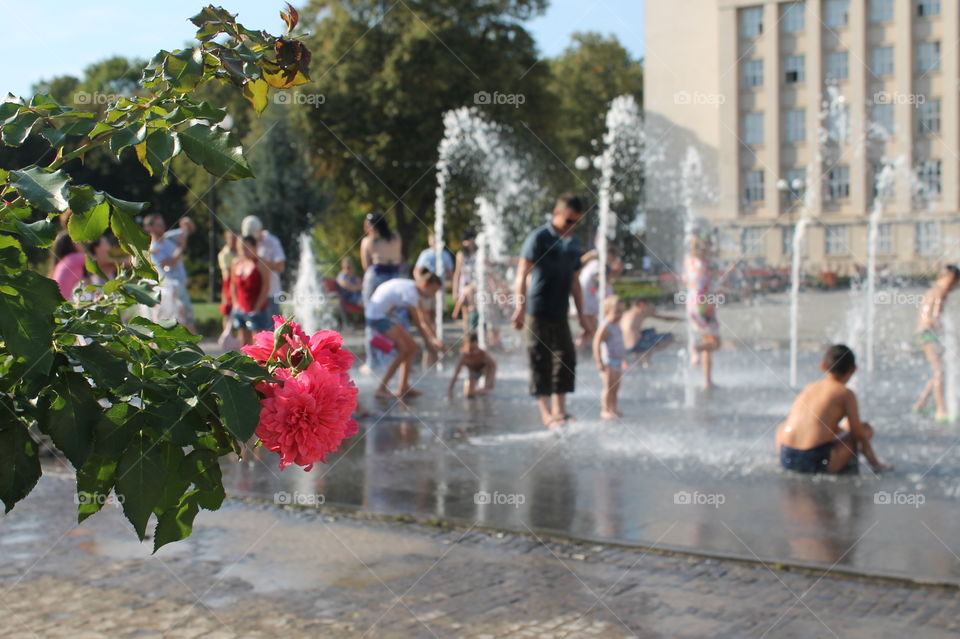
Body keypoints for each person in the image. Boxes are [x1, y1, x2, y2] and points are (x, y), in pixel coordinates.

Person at [512, 193, 587, 428]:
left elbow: (575, 282)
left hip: (560, 310)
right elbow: (522, 275)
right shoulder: (539, 238)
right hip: (537, 309)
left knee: (566, 358)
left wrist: (583, 316)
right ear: (557, 214)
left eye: (576, 222)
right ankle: (546, 413)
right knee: (539, 358)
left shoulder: (574, 243)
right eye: (568, 221)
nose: (572, 226)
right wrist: (520, 307)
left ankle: (560, 410)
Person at [776, 345, 893, 474]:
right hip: (817, 462)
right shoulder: (845, 393)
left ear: (822, 366)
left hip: (787, 457)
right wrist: (876, 464)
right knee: (865, 429)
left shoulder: (810, 387)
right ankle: (846, 471)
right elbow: (858, 434)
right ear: (853, 369)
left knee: (783, 426)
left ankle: (785, 457)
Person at [365, 270, 444, 399]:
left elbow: (424, 318)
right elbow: (419, 324)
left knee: (412, 347)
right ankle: (381, 389)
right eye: (433, 291)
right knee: (404, 349)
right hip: (376, 317)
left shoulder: (414, 289)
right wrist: (429, 345)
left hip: (384, 315)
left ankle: (403, 387)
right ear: (425, 286)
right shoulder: (411, 293)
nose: (433, 295)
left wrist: (435, 339)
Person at [912, 264, 960, 421]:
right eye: (955, 283)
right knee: (940, 371)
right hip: (928, 334)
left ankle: (921, 404)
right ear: (949, 279)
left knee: (939, 370)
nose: (954, 287)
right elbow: (935, 317)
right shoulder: (940, 293)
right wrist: (949, 333)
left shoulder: (934, 290)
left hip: (924, 333)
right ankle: (941, 410)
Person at [360, 213, 404, 369]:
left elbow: (366, 265)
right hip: (394, 275)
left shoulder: (369, 241)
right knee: (395, 317)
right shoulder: (396, 237)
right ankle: (398, 357)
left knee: (371, 319)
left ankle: (373, 361)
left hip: (376, 276)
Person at [143, 214, 195, 330]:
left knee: (187, 318)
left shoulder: (168, 237)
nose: (163, 227)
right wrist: (181, 246)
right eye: (159, 225)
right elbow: (169, 263)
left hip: (179, 286)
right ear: (150, 228)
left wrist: (186, 224)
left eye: (163, 224)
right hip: (168, 290)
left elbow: (189, 230)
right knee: (175, 321)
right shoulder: (152, 248)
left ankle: (191, 345)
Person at [684, 235, 720, 389]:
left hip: (691, 304)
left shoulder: (689, 262)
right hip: (705, 305)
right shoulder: (706, 264)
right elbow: (715, 281)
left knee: (708, 341)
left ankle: (707, 381)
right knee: (716, 343)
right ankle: (695, 349)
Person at [575, 244, 622, 350]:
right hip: (586, 304)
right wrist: (615, 272)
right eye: (613, 257)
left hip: (586, 303)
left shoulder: (595, 264)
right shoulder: (598, 265)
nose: (614, 260)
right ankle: (602, 355)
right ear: (609, 255)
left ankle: (577, 353)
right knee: (592, 332)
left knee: (587, 332)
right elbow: (600, 278)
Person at [230, 235, 272, 346]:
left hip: (257, 309)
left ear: (255, 247)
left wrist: (257, 307)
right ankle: (244, 363)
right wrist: (235, 303)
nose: (243, 251)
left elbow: (266, 287)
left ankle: (256, 364)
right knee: (243, 343)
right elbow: (233, 285)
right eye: (241, 248)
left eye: (246, 248)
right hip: (241, 308)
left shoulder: (261, 264)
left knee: (257, 343)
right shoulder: (237, 264)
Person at [240, 215, 285, 316]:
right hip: (253, 295)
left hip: (270, 293)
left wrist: (262, 263)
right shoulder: (247, 242)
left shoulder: (272, 242)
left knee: (270, 328)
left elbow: (281, 266)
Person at [593, 295, 626, 420]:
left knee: (616, 386)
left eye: (622, 312)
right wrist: (599, 361)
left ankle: (613, 408)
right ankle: (605, 409)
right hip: (608, 361)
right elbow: (596, 342)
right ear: (607, 311)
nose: (620, 315)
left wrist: (624, 358)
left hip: (617, 360)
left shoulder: (617, 324)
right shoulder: (606, 326)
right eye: (617, 312)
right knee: (608, 386)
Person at [622, 299, 680, 365]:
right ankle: (645, 356)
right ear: (642, 304)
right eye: (648, 306)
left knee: (647, 332)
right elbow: (665, 318)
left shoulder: (626, 314)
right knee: (670, 338)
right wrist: (682, 319)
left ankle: (641, 357)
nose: (649, 308)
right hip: (637, 345)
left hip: (625, 347)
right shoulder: (641, 311)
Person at [447, 332, 497, 398]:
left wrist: (490, 380)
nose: (472, 353)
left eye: (474, 349)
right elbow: (456, 374)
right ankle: (479, 390)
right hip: (473, 372)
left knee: (489, 385)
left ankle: (484, 389)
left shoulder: (483, 354)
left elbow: (493, 366)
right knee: (468, 394)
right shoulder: (464, 358)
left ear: (477, 345)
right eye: (469, 349)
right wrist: (450, 390)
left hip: (484, 370)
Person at [452, 231, 478, 333]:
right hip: (464, 284)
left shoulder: (479, 252)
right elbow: (457, 273)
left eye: (468, 240)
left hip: (476, 284)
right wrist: (455, 291)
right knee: (465, 313)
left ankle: (473, 333)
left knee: (474, 307)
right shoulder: (461, 254)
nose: (466, 243)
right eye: (465, 241)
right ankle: (467, 336)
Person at [50, 231, 88, 300]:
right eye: (78, 241)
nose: (81, 244)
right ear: (73, 243)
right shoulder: (75, 259)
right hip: (68, 303)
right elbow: (97, 261)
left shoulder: (60, 264)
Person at [217, 230, 240, 347]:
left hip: (239, 284)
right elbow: (227, 274)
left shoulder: (240, 252)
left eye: (236, 238)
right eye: (232, 238)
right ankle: (227, 335)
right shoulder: (224, 254)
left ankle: (235, 337)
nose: (234, 241)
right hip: (229, 283)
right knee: (227, 310)